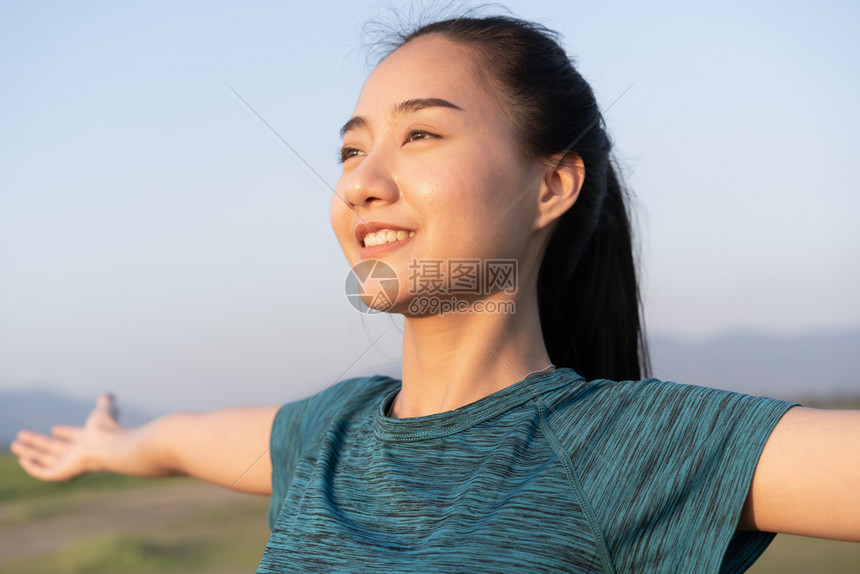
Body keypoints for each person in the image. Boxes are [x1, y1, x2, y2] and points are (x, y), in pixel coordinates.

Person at [10, 13, 860, 574]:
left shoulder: (620, 446)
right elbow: (187, 441)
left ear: (552, 186)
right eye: (350, 150)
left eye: (420, 133)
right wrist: (104, 449)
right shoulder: (329, 434)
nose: (362, 182)